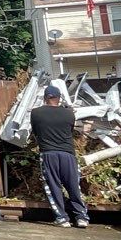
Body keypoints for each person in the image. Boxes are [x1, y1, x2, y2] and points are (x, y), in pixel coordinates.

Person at [31, 84, 89, 227]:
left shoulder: (36, 113)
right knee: (74, 186)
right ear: (59, 98)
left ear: (45, 98)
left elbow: (35, 132)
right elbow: (70, 130)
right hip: (68, 154)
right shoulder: (69, 113)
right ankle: (81, 217)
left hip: (48, 154)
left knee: (53, 186)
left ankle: (62, 218)